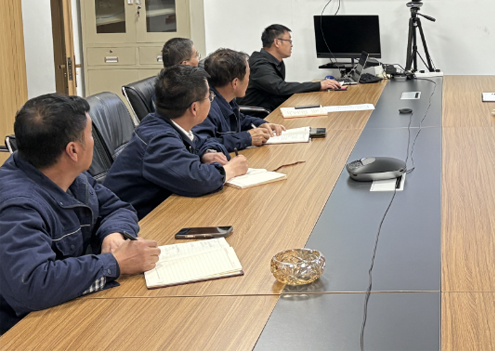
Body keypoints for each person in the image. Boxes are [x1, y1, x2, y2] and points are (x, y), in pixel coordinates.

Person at [0, 94, 160, 334]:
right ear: (73, 150)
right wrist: (115, 263)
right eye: (90, 135)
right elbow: (33, 284)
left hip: (71, 305)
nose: (93, 141)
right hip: (27, 329)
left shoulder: (68, 174)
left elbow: (117, 207)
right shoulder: (17, 206)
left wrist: (113, 234)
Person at [104, 65, 249, 219]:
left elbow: (203, 141)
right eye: (209, 96)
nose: (211, 100)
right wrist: (229, 170)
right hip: (134, 222)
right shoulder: (158, 139)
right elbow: (196, 179)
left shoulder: (168, 123)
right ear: (194, 108)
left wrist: (208, 153)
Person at [194, 48, 286, 152]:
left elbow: (240, 120)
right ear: (235, 83)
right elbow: (202, 144)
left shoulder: (226, 99)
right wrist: (246, 138)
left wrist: (260, 123)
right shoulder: (206, 107)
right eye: (248, 76)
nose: (249, 81)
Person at [240, 24, 342, 111]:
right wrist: (318, 85)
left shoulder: (276, 61)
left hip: (273, 107)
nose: (291, 45)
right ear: (277, 42)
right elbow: (280, 87)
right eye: (289, 41)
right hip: (259, 115)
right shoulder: (259, 65)